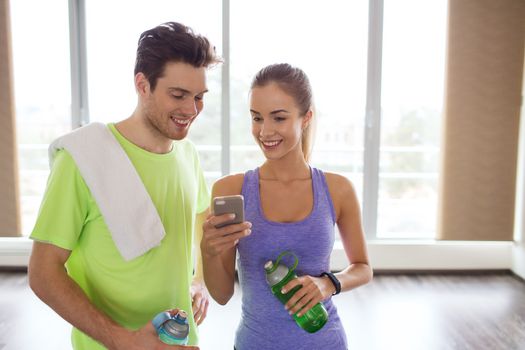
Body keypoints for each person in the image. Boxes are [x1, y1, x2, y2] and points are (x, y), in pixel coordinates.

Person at [28, 22, 221, 350]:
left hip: (181, 341)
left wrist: (199, 280)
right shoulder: (82, 160)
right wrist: (122, 341)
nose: (191, 110)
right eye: (178, 95)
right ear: (142, 85)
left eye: (199, 97)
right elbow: (43, 272)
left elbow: (202, 219)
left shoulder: (188, 155)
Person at [200, 63, 373, 349]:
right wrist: (208, 250)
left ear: (306, 118)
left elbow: (363, 268)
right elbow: (221, 295)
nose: (265, 131)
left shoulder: (337, 189)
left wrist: (328, 284)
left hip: (325, 342)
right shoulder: (231, 190)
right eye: (256, 118)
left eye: (278, 118)